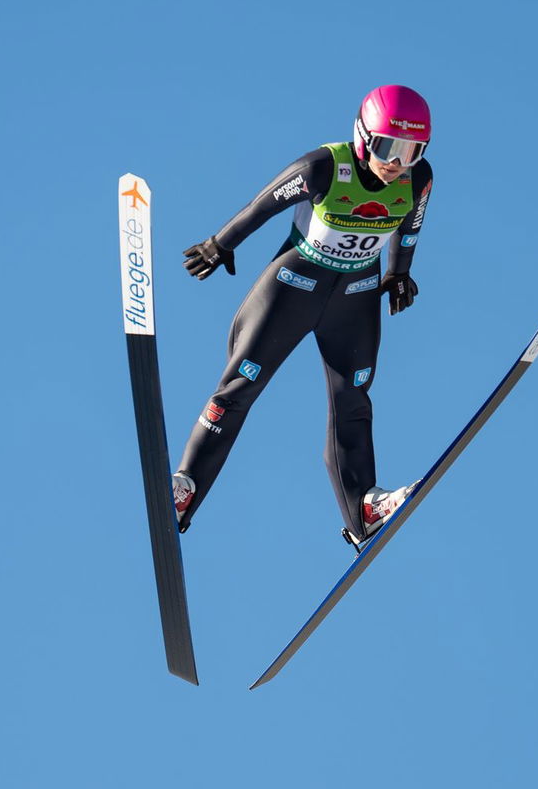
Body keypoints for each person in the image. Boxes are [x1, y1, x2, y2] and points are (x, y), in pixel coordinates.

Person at [173, 84, 434, 545]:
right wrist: (219, 245)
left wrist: (399, 274)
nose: (398, 162)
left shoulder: (417, 179)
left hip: (355, 294)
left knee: (353, 402)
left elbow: (409, 228)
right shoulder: (324, 167)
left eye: (411, 150)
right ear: (363, 137)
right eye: (389, 146)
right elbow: (262, 206)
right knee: (240, 388)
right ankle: (184, 489)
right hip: (295, 287)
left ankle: (364, 511)